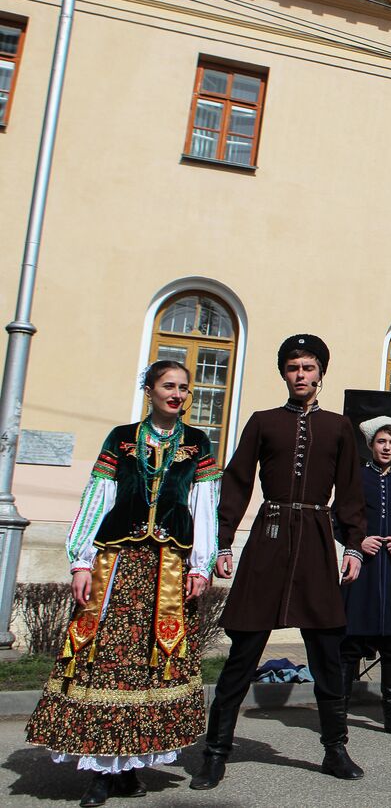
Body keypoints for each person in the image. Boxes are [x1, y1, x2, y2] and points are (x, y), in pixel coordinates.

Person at [26, 361, 219, 807]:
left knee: (152, 664)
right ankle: (99, 772)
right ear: (149, 390)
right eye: (168, 386)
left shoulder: (197, 443)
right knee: (105, 658)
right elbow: (98, 494)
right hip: (117, 565)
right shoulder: (121, 437)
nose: (177, 394)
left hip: (167, 567)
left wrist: (201, 565)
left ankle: (130, 765)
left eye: (184, 389)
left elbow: (206, 504)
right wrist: (81, 561)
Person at [191, 334, 367, 790]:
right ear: (284, 374)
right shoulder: (264, 422)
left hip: (314, 539)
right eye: (293, 368)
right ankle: (215, 752)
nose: (301, 375)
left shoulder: (338, 427)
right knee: (244, 650)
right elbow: (236, 482)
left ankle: (335, 748)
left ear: (321, 374)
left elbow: (349, 492)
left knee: (327, 651)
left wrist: (352, 546)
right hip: (268, 538)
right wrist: (223, 543)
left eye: (309, 368)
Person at [338, 417, 391, 736]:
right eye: (381, 442)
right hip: (363, 567)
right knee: (351, 642)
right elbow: (338, 520)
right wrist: (358, 542)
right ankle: (339, 713)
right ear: (371, 445)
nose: (387, 448)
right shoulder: (356, 478)